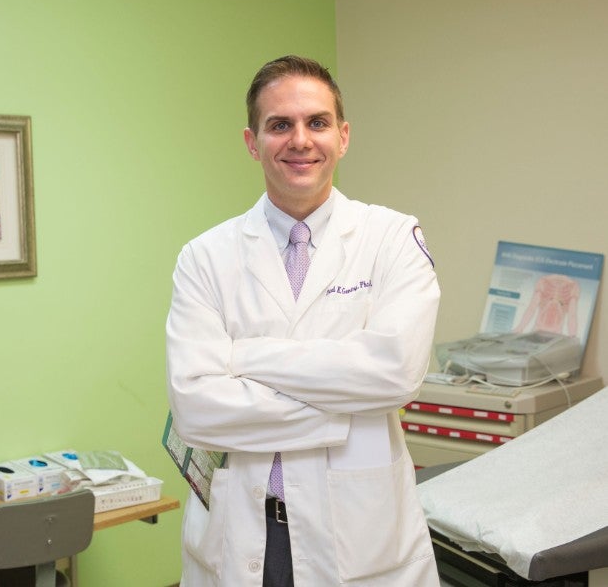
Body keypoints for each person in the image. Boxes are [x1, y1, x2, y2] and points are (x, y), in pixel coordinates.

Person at [165, 55, 441, 586]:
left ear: (343, 135)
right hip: (243, 533)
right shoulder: (204, 256)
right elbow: (195, 409)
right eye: (279, 125)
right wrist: (343, 414)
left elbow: (394, 373)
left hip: (359, 539)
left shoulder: (393, 239)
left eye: (316, 123)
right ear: (252, 142)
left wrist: (242, 357)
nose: (300, 140)